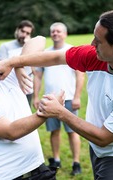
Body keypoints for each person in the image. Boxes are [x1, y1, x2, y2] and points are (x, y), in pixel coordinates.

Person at [0, 10, 113, 180]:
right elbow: (55, 58)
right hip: (97, 148)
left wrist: (60, 112)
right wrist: (12, 62)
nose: (92, 44)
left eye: (98, 41)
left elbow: (103, 137)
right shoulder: (96, 56)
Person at [0, 36, 59, 180]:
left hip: (37, 169)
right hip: (5, 176)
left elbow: (39, 40)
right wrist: (46, 111)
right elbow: (11, 131)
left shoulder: (6, 75)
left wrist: (16, 63)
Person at [33, 22, 85, 175]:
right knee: (54, 131)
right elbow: (37, 76)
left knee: (72, 132)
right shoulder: (44, 53)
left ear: (65, 34)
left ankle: (76, 163)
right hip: (50, 99)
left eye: (59, 31)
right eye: (53, 31)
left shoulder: (71, 51)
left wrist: (77, 97)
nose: (55, 33)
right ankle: (56, 160)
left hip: (69, 99)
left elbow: (80, 75)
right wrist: (36, 96)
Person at [0, 20, 35, 106]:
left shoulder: (32, 48)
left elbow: (34, 70)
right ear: (17, 30)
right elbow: (0, 68)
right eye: (22, 31)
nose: (24, 35)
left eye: (28, 33)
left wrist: (27, 47)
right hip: (10, 88)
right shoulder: (6, 46)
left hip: (27, 88)